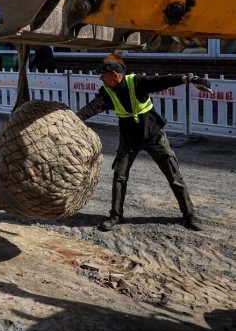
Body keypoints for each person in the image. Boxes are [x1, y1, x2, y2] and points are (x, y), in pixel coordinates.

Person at [76, 60, 211, 232]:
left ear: (115, 75)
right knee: (119, 177)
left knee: (174, 177)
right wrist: (74, 119)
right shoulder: (107, 91)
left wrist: (187, 79)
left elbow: (160, 81)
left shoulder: (136, 82)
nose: (101, 78)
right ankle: (115, 216)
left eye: (103, 75)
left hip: (154, 136)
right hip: (129, 139)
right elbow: (93, 107)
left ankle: (190, 215)